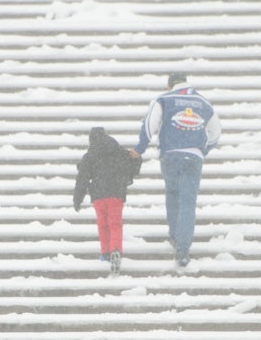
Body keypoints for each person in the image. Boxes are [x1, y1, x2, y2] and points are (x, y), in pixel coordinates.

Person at [131, 73, 220, 268]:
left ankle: (174, 235)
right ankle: (183, 250)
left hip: (170, 154)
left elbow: (149, 126)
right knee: (188, 201)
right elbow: (216, 133)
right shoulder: (204, 102)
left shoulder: (164, 99)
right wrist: (201, 149)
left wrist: (139, 149)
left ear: (169, 84)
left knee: (172, 195)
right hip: (193, 157)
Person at [73, 127, 143, 274]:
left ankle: (105, 252)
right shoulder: (118, 152)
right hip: (116, 194)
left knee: (103, 225)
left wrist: (77, 199)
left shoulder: (90, 155)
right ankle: (116, 249)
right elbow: (133, 168)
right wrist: (137, 159)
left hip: (98, 195)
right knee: (115, 224)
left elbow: (82, 178)